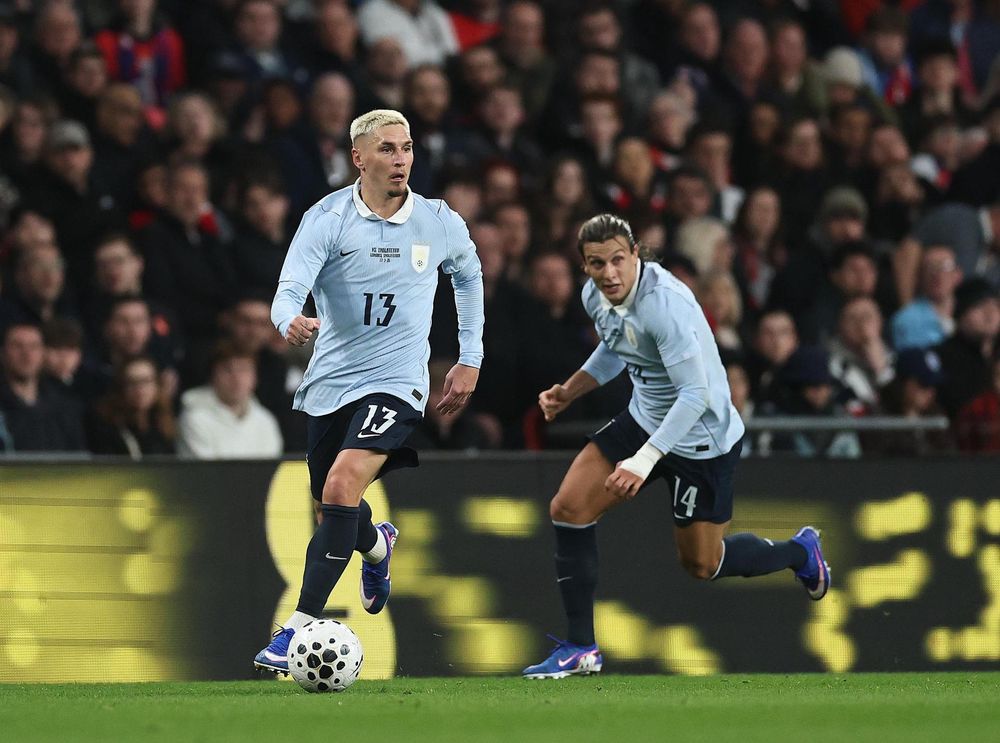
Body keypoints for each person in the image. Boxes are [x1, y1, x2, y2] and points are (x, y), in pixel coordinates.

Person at [521, 214, 829, 680]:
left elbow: (696, 395)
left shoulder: (665, 305)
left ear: (636, 254)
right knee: (568, 507)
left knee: (703, 564)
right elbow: (616, 346)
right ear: (585, 266)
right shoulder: (594, 296)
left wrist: (644, 461)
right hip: (644, 417)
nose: (609, 273)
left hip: (700, 438)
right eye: (596, 263)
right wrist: (570, 390)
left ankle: (800, 552)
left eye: (618, 260)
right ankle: (581, 647)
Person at [254, 109, 484, 674]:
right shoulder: (328, 217)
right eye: (387, 149)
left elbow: (469, 274)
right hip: (331, 383)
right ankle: (377, 545)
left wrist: (470, 358)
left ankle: (299, 629)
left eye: (406, 148)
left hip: (399, 383)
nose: (401, 158)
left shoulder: (436, 220)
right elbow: (288, 291)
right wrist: (290, 321)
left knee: (342, 481)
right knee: (331, 501)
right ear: (359, 157)